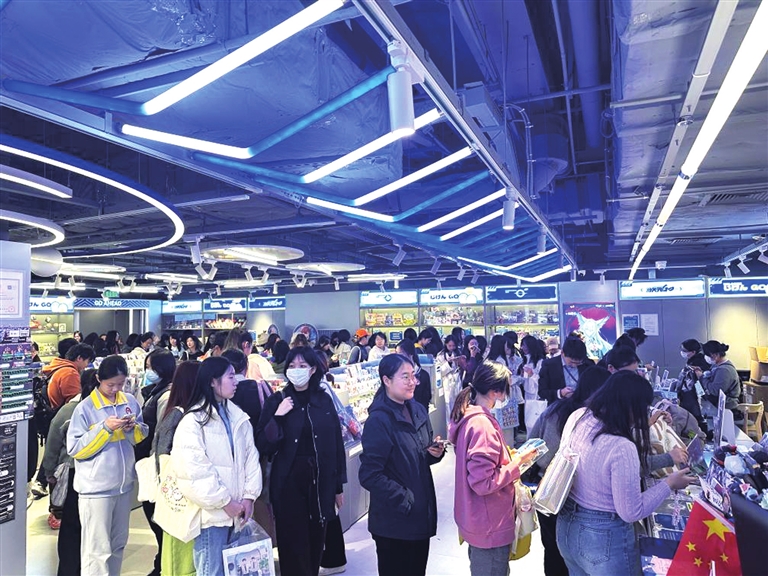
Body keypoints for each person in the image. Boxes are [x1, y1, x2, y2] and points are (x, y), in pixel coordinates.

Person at [555, 371, 697, 576]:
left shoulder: (580, 416)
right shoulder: (621, 447)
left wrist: (644, 424)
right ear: (632, 408)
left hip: (567, 527)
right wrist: (669, 483)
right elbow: (631, 511)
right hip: (604, 538)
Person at [256, 347, 347, 576]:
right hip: (288, 483)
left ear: (313, 369)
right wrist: (278, 416)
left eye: (302, 366)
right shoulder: (277, 400)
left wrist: (338, 487)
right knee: (292, 543)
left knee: (316, 540)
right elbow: (263, 444)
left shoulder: (323, 400)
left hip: (320, 482)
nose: (296, 370)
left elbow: (336, 444)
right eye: (292, 366)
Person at [171, 357, 262, 576]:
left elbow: (251, 458)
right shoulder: (193, 422)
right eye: (230, 377)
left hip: (239, 513)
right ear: (212, 381)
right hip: (212, 517)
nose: (236, 381)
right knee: (212, 571)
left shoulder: (238, 417)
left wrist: (249, 497)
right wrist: (225, 502)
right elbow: (193, 472)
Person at [359, 354, 445, 576]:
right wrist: (405, 498)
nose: (412, 382)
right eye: (404, 377)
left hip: (420, 515)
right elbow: (369, 474)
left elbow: (418, 453)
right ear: (386, 380)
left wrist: (433, 453)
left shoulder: (417, 410)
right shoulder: (379, 420)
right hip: (394, 521)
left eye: (413, 376)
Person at [67, 355, 148, 576]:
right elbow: (76, 449)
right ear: (98, 379)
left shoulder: (129, 401)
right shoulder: (85, 408)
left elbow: (140, 436)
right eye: (110, 384)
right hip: (96, 490)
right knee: (97, 550)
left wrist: (132, 428)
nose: (115, 389)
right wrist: (105, 429)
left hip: (124, 486)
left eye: (120, 384)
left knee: (118, 544)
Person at [449, 361, 531, 576]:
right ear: (496, 391)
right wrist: (517, 463)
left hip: (478, 517)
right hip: (490, 523)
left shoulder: (469, 416)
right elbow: (483, 483)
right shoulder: (482, 425)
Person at [529, 366, 612, 576]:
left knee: (553, 550)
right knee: (577, 555)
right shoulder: (595, 419)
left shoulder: (556, 409)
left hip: (548, 490)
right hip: (577, 496)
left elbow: (533, 444)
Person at [42, 368, 99, 573]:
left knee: (72, 525)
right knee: (84, 526)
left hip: (76, 473)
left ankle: (70, 569)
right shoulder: (79, 410)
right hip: (87, 475)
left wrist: (49, 473)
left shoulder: (70, 410)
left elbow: (52, 445)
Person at [151, 361, 201, 576]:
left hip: (187, 494)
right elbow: (162, 455)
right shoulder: (178, 414)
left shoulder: (192, 412)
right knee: (178, 551)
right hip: (178, 495)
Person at [135, 349, 177, 576]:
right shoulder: (155, 392)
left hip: (156, 463)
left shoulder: (165, 396)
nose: (147, 372)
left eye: (150, 367)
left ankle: (163, 564)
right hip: (150, 460)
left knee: (156, 514)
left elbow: (162, 434)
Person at [537, 337, 592, 402]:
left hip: (583, 405)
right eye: (571, 362)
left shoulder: (588, 364)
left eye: (578, 363)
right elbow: (542, 392)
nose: (574, 365)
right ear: (562, 353)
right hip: (559, 405)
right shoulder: (549, 365)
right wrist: (560, 393)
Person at [44, 343, 96, 410]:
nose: (87, 365)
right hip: (65, 413)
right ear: (79, 358)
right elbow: (74, 403)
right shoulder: (70, 373)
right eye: (88, 361)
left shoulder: (61, 368)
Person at [695, 340, 741, 412]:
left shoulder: (724, 370)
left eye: (707, 355)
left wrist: (701, 377)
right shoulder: (717, 365)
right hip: (717, 404)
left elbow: (715, 390)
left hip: (726, 407)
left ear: (715, 355)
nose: (705, 357)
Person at [675, 339, 709, 428]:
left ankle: (696, 433)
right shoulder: (693, 360)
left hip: (693, 396)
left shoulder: (697, 362)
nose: (682, 352)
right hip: (693, 395)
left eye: (684, 351)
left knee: (694, 420)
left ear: (693, 352)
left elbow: (697, 383)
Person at [396, 339, 431, 410]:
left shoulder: (423, 375)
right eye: (396, 354)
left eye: (400, 354)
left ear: (410, 354)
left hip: (418, 413)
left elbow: (426, 400)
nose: (398, 357)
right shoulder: (397, 374)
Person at [520, 335, 545, 400]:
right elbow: (524, 379)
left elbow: (543, 380)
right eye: (523, 345)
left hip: (537, 394)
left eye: (525, 345)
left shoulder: (540, 361)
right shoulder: (524, 360)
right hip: (527, 392)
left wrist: (532, 374)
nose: (523, 348)